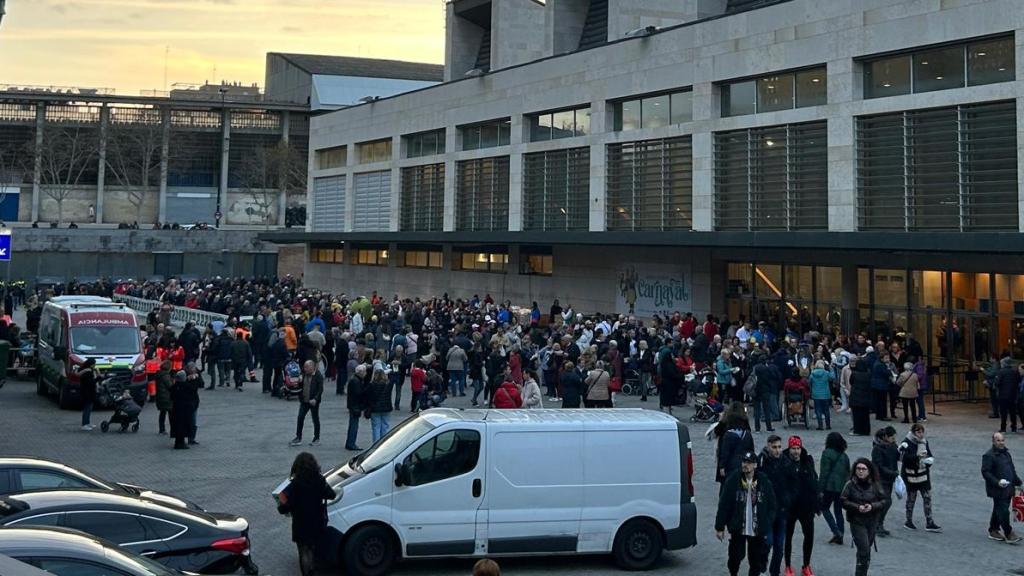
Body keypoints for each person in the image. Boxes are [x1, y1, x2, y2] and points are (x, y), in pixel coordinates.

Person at [715, 451, 777, 576]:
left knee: (755, 561)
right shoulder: (733, 479)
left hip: (757, 529)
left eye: (749, 463)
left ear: (755, 465)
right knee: (735, 557)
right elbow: (724, 504)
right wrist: (719, 527)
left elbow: (772, 505)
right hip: (738, 527)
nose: (745, 465)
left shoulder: (764, 481)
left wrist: (766, 522)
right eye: (744, 462)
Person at [277, 452, 337, 576]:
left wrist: (281, 504)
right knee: (314, 548)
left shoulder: (295, 484)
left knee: (304, 550)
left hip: (301, 523)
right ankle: (314, 570)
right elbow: (331, 494)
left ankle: (307, 573)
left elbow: (286, 507)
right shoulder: (320, 480)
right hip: (317, 521)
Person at [840, 458, 889, 576]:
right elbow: (843, 501)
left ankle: (862, 572)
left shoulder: (875, 485)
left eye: (863, 469)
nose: (860, 471)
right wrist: (857, 507)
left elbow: (884, 501)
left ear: (869, 471)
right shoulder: (850, 484)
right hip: (857, 521)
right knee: (864, 549)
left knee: (866, 551)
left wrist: (872, 506)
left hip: (872, 521)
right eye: (858, 469)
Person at [758, 435, 795, 576]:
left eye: (779, 447)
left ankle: (775, 572)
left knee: (779, 545)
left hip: (782, 510)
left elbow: (793, 483)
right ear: (768, 446)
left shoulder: (786, 462)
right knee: (767, 542)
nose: (777, 450)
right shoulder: (761, 462)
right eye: (774, 447)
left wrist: (789, 498)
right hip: (767, 511)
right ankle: (762, 559)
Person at [782, 435, 819, 576]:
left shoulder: (807, 461)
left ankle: (806, 565)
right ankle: (787, 565)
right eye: (793, 448)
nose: (796, 452)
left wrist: (816, 503)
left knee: (809, 536)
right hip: (790, 507)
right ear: (789, 448)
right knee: (788, 537)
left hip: (806, 507)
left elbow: (814, 481)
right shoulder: (784, 461)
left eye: (798, 448)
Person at [899, 422, 941, 532]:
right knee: (911, 499)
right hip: (911, 475)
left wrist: (929, 461)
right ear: (913, 432)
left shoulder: (924, 442)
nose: (921, 434)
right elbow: (904, 459)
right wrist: (917, 456)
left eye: (922, 432)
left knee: (927, 497)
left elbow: (929, 454)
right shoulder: (906, 443)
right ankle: (908, 521)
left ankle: (929, 522)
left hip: (923, 475)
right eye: (918, 432)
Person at [981, 431, 1023, 542]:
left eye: (1002, 440)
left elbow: (1011, 470)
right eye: (998, 440)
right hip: (997, 488)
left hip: (1008, 488)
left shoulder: (1006, 453)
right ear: (993, 442)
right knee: (1004, 510)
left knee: (998, 509)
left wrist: (1018, 482)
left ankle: (993, 529)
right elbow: (985, 472)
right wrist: (997, 482)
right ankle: (1008, 532)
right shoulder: (989, 455)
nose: (1001, 442)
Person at [819, 431, 850, 545]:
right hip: (842, 487)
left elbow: (824, 473)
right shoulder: (844, 456)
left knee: (824, 508)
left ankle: (836, 531)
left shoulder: (827, 453)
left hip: (830, 486)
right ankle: (840, 534)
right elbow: (848, 472)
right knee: (838, 511)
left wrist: (820, 489)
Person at [870, 426, 899, 536]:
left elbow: (897, 457)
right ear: (885, 437)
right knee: (885, 502)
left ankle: (879, 523)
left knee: (885, 502)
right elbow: (879, 465)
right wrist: (893, 473)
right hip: (880, 479)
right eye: (892, 437)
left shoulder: (893, 446)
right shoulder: (877, 449)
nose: (894, 439)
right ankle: (877, 524)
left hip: (889, 479)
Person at [289, 360, 324, 447]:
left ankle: (316, 438)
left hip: (313, 401)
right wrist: (299, 381)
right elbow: (299, 386)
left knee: (315, 419)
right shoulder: (303, 374)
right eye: (304, 367)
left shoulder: (318, 376)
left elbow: (320, 389)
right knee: (300, 417)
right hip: (304, 400)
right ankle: (298, 437)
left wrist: (316, 399)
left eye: (306, 367)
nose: (305, 369)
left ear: (312, 367)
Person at [848, 357, 873, 436]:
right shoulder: (868, 374)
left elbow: (851, 382)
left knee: (857, 415)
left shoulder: (854, 374)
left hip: (856, 397)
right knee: (865, 415)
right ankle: (866, 430)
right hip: (866, 397)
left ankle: (858, 430)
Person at [169, 370, 193, 450]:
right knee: (183, 425)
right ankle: (181, 443)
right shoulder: (187, 386)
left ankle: (177, 442)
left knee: (177, 425)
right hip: (185, 409)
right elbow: (192, 394)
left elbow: (171, 397)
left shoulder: (174, 387)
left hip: (176, 408)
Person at [345, 365, 368, 451]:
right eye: (364, 372)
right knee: (354, 425)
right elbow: (358, 394)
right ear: (360, 372)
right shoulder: (356, 381)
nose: (365, 373)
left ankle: (350, 442)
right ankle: (351, 443)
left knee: (353, 425)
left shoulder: (355, 380)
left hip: (354, 406)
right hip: (355, 406)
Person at [369, 367, 394, 442]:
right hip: (386, 407)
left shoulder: (372, 384)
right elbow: (393, 377)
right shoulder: (388, 384)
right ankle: (384, 442)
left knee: (376, 427)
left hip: (375, 408)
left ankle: (376, 443)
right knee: (385, 426)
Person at [995, 357, 1019, 433]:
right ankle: (1014, 427)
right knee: (1012, 412)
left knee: (1003, 412)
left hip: (1003, 395)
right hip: (1013, 394)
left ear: (1004, 364)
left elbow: (997, 383)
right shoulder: (1015, 371)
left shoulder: (1001, 372)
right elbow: (1017, 381)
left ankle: (1003, 427)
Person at [809, 360, 834, 430]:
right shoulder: (826, 373)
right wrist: (831, 368)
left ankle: (820, 426)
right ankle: (828, 425)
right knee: (826, 410)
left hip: (816, 395)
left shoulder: (812, 374)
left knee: (818, 410)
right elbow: (832, 377)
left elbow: (809, 382)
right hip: (826, 394)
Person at [78, 358, 98, 431]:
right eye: (94, 364)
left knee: (89, 408)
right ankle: (84, 424)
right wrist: (98, 378)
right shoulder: (87, 372)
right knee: (87, 408)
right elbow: (91, 382)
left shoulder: (86, 370)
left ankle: (87, 422)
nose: (94, 365)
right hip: (87, 392)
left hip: (88, 392)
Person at [154, 360, 173, 435]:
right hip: (167, 397)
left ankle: (161, 429)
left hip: (160, 396)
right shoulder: (165, 375)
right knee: (171, 414)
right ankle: (172, 429)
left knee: (162, 413)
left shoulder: (158, 374)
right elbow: (170, 386)